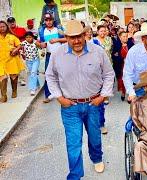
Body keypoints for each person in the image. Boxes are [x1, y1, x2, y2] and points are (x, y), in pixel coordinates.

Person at [45, 20, 115, 179]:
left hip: (93, 104)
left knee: (95, 136)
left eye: (79, 36)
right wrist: (59, 97)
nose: (76, 41)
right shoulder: (58, 54)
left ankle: (97, 158)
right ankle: (75, 175)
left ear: (85, 35)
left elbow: (109, 74)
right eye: (72, 37)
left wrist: (103, 96)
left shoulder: (97, 51)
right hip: (70, 107)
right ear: (67, 38)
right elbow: (50, 76)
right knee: (73, 143)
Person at [38, 13, 66, 103]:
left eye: (50, 20)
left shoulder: (59, 29)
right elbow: (38, 42)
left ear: (53, 20)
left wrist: (57, 40)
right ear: (44, 21)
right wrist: (40, 44)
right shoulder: (42, 31)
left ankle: (66, 94)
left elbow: (67, 38)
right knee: (48, 75)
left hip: (61, 55)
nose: (48, 22)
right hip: (49, 55)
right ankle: (48, 95)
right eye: (46, 20)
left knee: (64, 74)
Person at [0, 21, 25, 103]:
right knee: (2, 78)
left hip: (12, 59)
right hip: (1, 60)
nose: (2, 28)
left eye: (3, 26)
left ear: (7, 27)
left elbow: (20, 45)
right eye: (0, 27)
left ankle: (14, 91)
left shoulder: (12, 36)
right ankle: (4, 96)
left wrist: (15, 50)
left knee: (13, 77)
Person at [112, 31, 134, 101]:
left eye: (126, 36)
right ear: (120, 37)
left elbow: (134, 54)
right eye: (123, 36)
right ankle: (123, 92)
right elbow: (114, 55)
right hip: (121, 66)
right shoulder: (117, 44)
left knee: (130, 79)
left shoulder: (130, 44)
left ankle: (130, 95)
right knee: (122, 80)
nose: (125, 38)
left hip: (130, 65)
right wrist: (121, 58)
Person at [7, 17, 27, 86]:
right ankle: (16, 79)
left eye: (13, 21)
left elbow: (24, 37)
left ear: (15, 21)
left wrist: (12, 32)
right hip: (11, 51)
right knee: (14, 65)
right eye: (10, 22)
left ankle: (23, 80)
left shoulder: (21, 29)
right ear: (8, 23)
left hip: (21, 49)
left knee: (22, 65)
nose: (12, 23)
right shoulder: (6, 32)